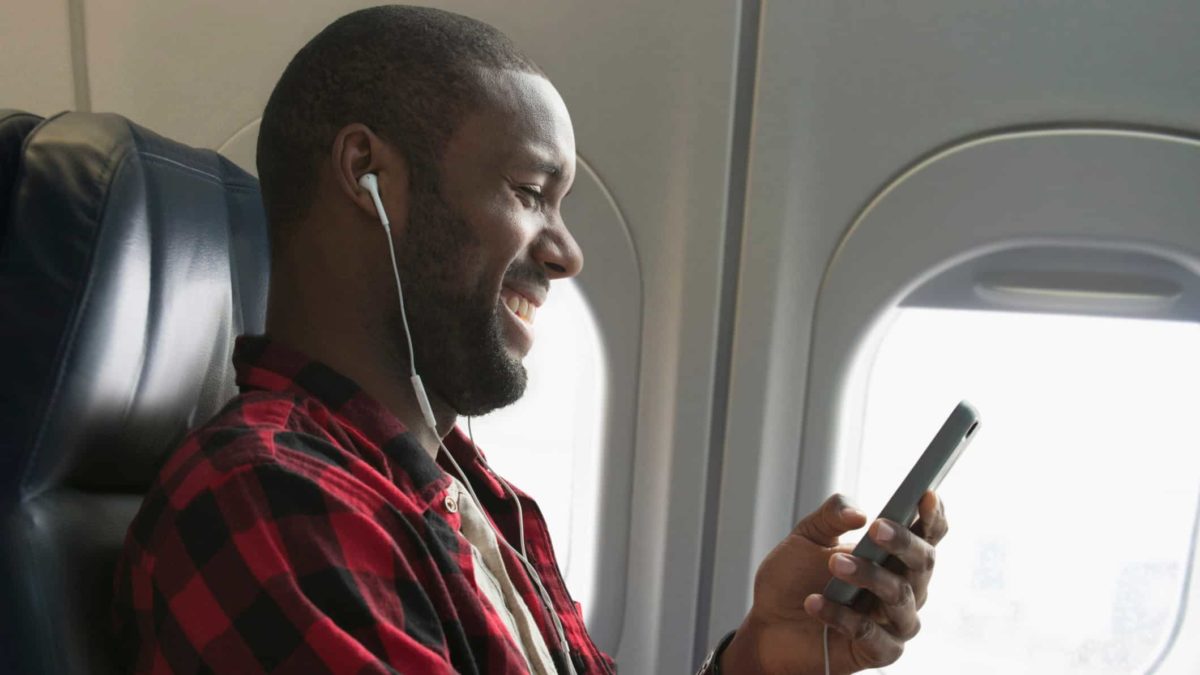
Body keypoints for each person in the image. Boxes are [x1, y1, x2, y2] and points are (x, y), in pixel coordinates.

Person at [112, 5, 948, 674]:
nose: (567, 251)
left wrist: (763, 654)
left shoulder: (477, 495)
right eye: (529, 191)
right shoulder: (267, 498)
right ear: (369, 173)